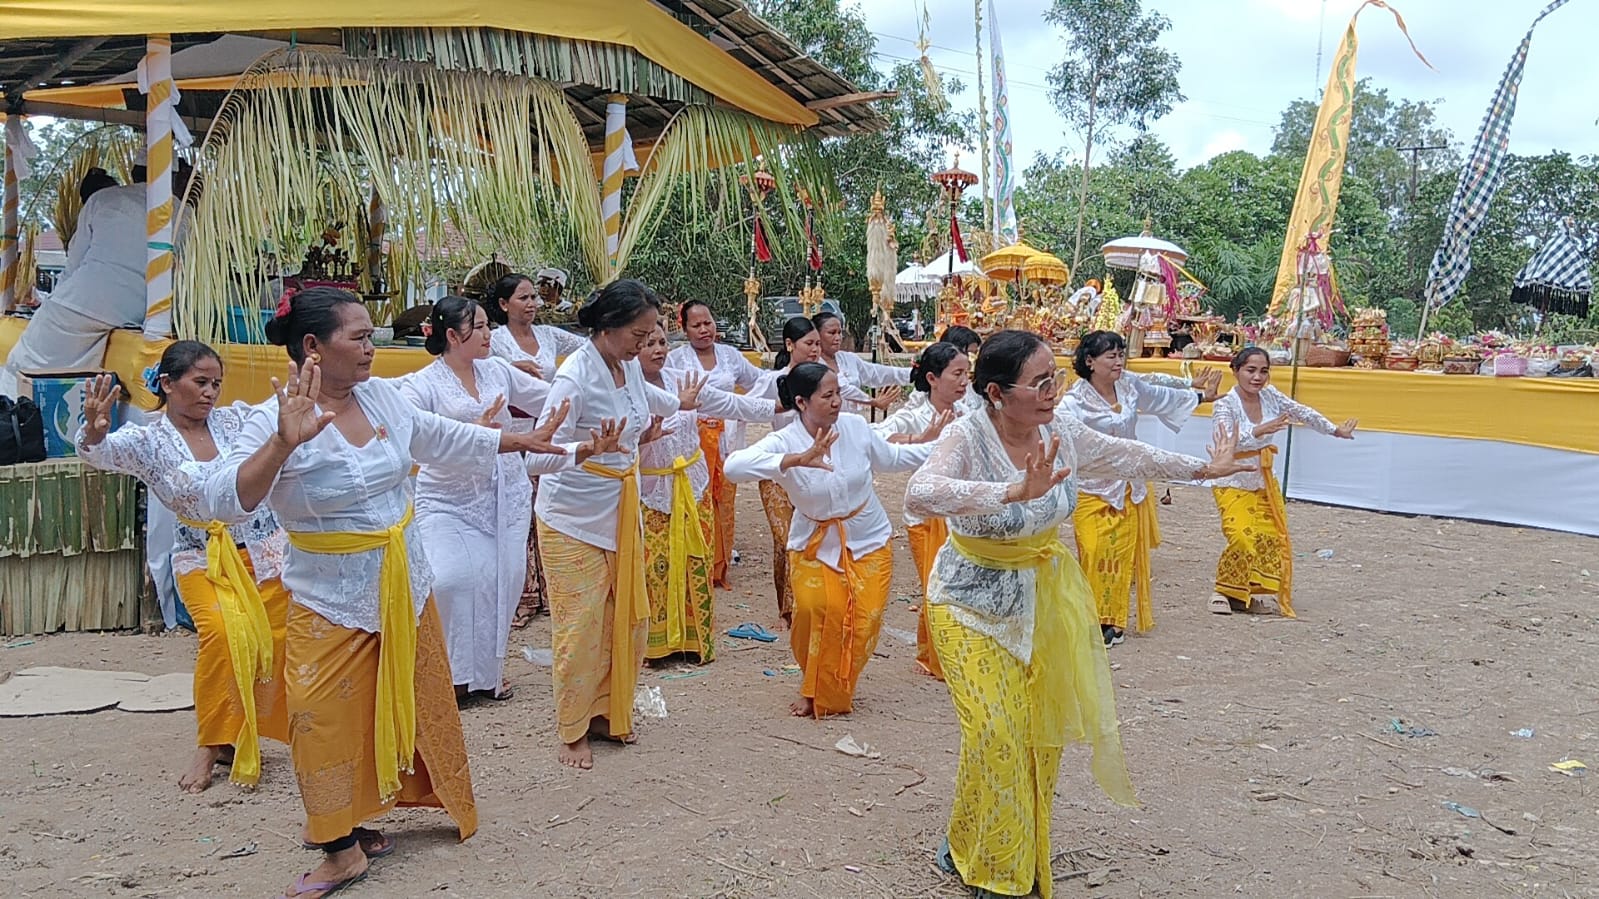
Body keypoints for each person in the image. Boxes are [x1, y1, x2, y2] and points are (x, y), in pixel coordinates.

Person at [185, 287, 571, 898]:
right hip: (327, 595)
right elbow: (226, 498)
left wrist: (516, 440)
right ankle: (338, 848)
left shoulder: (383, 394)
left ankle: (366, 820)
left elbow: (438, 435)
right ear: (312, 346)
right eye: (360, 337)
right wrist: (284, 442)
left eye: (372, 335)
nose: (372, 347)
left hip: (404, 585)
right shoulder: (269, 419)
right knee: (321, 719)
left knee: (402, 704)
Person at [905, 330, 1252, 899]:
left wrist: (1202, 470)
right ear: (996, 392)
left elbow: (1126, 452)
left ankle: (973, 840)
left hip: (1042, 597)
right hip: (967, 600)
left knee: (1034, 737)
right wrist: (1011, 491)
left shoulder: (1060, 429)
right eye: (1040, 382)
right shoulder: (968, 433)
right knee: (996, 731)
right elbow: (920, 494)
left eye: (1055, 377)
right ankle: (998, 875)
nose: (1052, 391)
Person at [76, 341, 289, 794]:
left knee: (271, 643)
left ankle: (240, 731)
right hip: (202, 555)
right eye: (200, 382)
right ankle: (209, 745)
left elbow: (279, 421)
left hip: (265, 550)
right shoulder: (148, 440)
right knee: (220, 633)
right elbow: (98, 452)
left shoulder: (234, 422)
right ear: (168, 384)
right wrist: (94, 432)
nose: (211, 392)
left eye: (216, 383)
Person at [525, 279, 706, 770]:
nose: (645, 345)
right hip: (572, 519)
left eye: (651, 335)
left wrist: (689, 403)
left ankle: (607, 711)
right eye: (638, 334)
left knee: (624, 617)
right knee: (580, 626)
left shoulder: (624, 369)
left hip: (620, 510)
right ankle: (572, 728)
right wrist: (585, 451)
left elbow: (657, 402)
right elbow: (534, 462)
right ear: (607, 328)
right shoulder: (573, 378)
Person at [725, 362, 938, 717]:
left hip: (868, 537)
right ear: (802, 402)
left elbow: (892, 458)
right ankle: (813, 685)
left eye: (838, 392)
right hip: (813, 542)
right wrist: (796, 460)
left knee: (864, 620)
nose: (838, 401)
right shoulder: (785, 439)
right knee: (813, 611)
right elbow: (733, 467)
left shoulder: (855, 427)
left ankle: (832, 688)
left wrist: (939, 448)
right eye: (828, 395)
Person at [399, 296, 551, 700]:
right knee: (449, 580)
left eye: (488, 325)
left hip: (504, 493)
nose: (489, 334)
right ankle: (444, 678)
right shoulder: (422, 385)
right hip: (447, 496)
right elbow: (415, 439)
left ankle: (486, 677)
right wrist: (475, 432)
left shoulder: (498, 370)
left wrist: (582, 405)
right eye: (480, 326)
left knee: (501, 579)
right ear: (452, 334)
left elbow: (547, 398)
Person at [1057, 330, 1222, 646]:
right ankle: (1089, 615)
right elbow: (1063, 439)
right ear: (1089, 361)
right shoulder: (1072, 403)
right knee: (1093, 551)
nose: (1118, 362)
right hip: (1092, 487)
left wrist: (1200, 396)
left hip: (1129, 485)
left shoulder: (1128, 386)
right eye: (1111, 356)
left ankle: (1111, 622)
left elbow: (1159, 396)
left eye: (1121, 355)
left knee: (1118, 555)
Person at [639, 319, 776, 663]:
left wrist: (782, 406)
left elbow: (732, 404)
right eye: (648, 343)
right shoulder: (628, 389)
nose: (657, 349)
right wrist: (651, 431)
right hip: (651, 490)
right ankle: (657, 645)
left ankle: (693, 641)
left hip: (693, 484)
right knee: (656, 566)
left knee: (695, 560)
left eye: (660, 342)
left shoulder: (682, 381)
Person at [1, 158, 193, 394]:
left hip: (80, 305)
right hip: (139, 313)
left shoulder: (105, 198)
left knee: (20, 369)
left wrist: (52, 301)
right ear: (173, 179)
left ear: (133, 173)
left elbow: (74, 262)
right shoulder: (186, 214)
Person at [747, 317, 892, 625]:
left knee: (824, 533)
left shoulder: (827, 380)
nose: (816, 349)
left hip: (821, 471)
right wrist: (791, 448)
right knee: (789, 540)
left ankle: (827, 603)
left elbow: (854, 395)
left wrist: (875, 400)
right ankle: (796, 607)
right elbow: (740, 408)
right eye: (809, 343)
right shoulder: (772, 383)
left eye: (818, 343)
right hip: (781, 475)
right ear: (790, 345)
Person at [1207, 347, 1356, 617]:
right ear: (1236, 371)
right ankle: (1222, 591)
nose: (1257, 377)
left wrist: (1334, 430)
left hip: (1263, 481)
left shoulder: (1271, 395)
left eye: (1263, 371)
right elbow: (1225, 442)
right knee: (1241, 535)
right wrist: (1258, 431)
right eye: (1250, 370)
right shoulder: (1225, 404)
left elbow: (1302, 412)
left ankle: (1243, 594)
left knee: (1269, 536)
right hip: (1232, 479)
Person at [486, 271, 587, 627]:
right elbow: (476, 366)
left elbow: (588, 349)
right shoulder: (495, 340)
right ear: (503, 305)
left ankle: (549, 588)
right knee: (517, 509)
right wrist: (508, 367)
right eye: (523, 298)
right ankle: (522, 593)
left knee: (546, 505)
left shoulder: (548, 335)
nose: (531, 305)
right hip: (513, 431)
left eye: (534, 298)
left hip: (547, 426)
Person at [873, 342, 967, 679]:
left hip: (964, 513)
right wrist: (922, 438)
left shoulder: (970, 411)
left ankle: (959, 651)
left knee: (963, 585)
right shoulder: (912, 414)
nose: (963, 382)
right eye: (957, 374)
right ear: (932, 378)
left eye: (966, 374)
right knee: (936, 585)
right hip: (927, 516)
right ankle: (936, 657)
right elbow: (878, 440)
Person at [665, 299, 767, 589]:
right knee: (695, 499)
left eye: (707, 322)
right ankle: (695, 562)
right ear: (684, 329)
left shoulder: (730, 356)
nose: (703, 330)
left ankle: (719, 565)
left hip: (726, 438)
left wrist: (750, 405)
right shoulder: (675, 360)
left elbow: (758, 382)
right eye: (695, 325)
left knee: (725, 500)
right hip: (692, 441)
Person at [814, 310, 910, 398]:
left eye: (839, 333)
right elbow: (844, 390)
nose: (838, 337)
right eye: (832, 333)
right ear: (816, 335)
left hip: (852, 416)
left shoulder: (849, 359)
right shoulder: (812, 364)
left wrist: (911, 373)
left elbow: (876, 373)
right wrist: (872, 401)